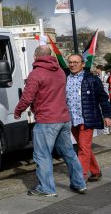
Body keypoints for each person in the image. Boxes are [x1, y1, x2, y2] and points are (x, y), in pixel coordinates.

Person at [14, 46, 86, 196]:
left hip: (47, 120)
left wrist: (18, 110)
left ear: (36, 56)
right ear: (50, 55)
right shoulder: (60, 71)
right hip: (63, 118)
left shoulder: (36, 74)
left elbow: (27, 97)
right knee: (69, 153)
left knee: (42, 155)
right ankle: (79, 183)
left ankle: (46, 188)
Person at [65, 54, 111, 182]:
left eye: (75, 62)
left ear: (83, 64)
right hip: (72, 119)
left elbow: (103, 98)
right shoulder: (65, 79)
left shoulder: (92, 79)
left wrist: (107, 115)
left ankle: (80, 178)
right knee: (83, 146)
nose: (72, 65)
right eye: (70, 62)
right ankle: (96, 171)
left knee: (83, 148)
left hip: (87, 119)